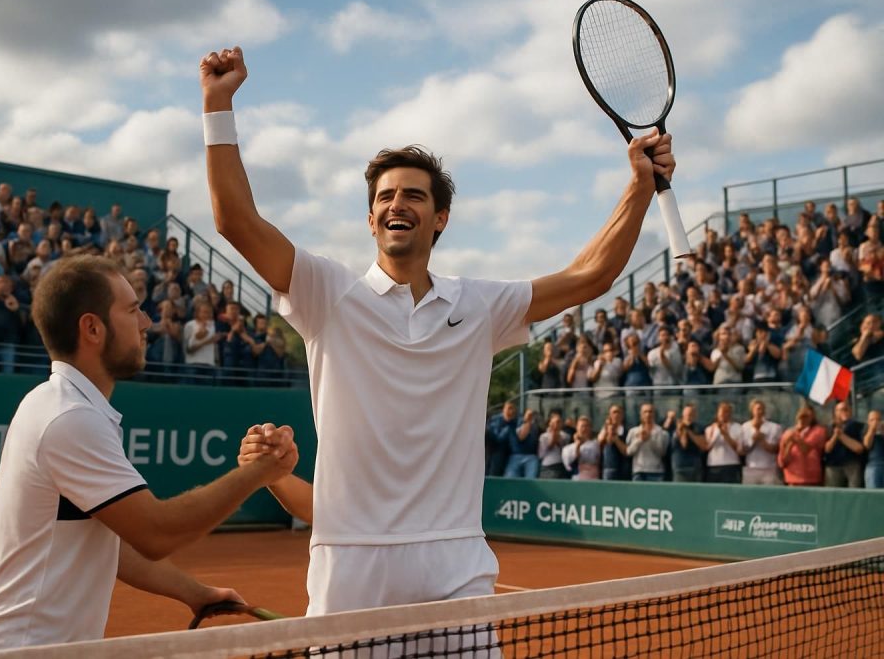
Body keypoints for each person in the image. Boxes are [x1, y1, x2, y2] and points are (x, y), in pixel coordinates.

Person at [202, 45, 675, 615]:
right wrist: (218, 105)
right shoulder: (326, 293)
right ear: (371, 218)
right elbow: (235, 220)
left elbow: (589, 275)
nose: (397, 203)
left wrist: (640, 187)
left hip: (456, 563)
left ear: (440, 217)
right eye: (385, 197)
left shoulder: (479, 305)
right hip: (351, 565)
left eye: (413, 195)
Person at [0, 255, 298, 654]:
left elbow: (112, 547)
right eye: (133, 310)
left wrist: (196, 592)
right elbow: (157, 532)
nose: (146, 322)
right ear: (93, 328)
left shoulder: (61, 405)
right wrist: (261, 471)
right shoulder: (69, 418)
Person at [778, 405, 827, 486]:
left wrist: (796, 437)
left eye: (806, 416)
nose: (803, 418)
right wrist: (789, 443)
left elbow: (806, 449)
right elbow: (782, 461)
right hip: (792, 479)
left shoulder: (819, 431)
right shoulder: (788, 433)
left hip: (811, 479)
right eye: (801, 416)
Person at [739, 399, 783, 485]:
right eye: (758, 409)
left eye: (762, 409)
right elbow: (742, 450)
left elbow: (777, 449)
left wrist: (762, 441)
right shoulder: (745, 427)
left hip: (769, 468)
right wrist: (753, 441)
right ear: (752, 410)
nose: (760, 411)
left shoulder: (774, 427)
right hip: (751, 468)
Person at [823, 400, 865, 488]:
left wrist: (841, 436)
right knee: (833, 494)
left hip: (852, 465)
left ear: (851, 411)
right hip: (833, 465)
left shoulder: (858, 426)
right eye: (841, 410)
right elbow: (827, 449)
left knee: (854, 493)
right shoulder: (829, 427)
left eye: (846, 409)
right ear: (835, 412)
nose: (844, 412)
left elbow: (859, 448)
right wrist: (835, 435)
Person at [625, 403, 669, 481]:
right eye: (645, 412)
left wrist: (649, 439)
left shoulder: (661, 432)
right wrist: (639, 440)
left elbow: (662, 452)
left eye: (650, 412)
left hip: (656, 472)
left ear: (654, 414)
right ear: (641, 414)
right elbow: (629, 452)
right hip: (638, 472)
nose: (648, 414)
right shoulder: (633, 431)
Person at [666, 404, 708, 483]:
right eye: (687, 414)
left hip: (695, 467)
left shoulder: (699, 428)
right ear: (683, 414)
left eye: (692, 414)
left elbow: (703, 446)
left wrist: (688, 431)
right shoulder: (675, 427)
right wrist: (681, 430)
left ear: (695, 415)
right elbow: (684, 444)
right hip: (680, 467)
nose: (689, 416)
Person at [704, 402, 744, 484]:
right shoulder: (710, 429)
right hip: (713, 465)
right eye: (721, 412)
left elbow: (738, 448)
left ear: (730, 413)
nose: (723, 414)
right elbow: (707, 447)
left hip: (731, 464)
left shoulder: (738, 428)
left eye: (726, 411)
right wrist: (717, 431)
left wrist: (726, 435)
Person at [504, 409, 542, 479]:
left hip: (531, 457)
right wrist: (527, 421)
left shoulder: (535, 427)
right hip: (516, 456)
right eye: (529, 415)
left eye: (532, 415)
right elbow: (521, 437)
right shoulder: (518, 423)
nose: (531, 417)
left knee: (531, 480)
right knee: (510, 480)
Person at [485, 400, 519, 477]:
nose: (510, 411)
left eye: (513, 409)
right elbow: (497, 438)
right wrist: (507, 429)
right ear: (504, 409)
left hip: (510, 452)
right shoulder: (495, 420)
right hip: (495, 449)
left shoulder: (517, 421)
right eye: (508, 408)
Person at [562, 415, 601, 480]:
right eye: (582, 426)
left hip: (593, 480)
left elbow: (593, 458)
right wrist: (577, 446)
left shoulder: (595, 444)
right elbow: (569, 466)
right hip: (577, 481)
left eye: (587, 426)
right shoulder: (567, 448)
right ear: (577, 427)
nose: (584, 429)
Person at [598, 404, 628, 480]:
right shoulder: (604, 430)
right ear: (610, 415)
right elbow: (599, 443)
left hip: (623, 470)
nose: (616, 415)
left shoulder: (627, 431)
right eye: (614, 412)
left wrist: (616, 438)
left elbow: (626, 451)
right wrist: (607, 428)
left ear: (622, 415)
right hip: (608, 470)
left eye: (619, 412)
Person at [538, 410, 571, 479]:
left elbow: (564, 449)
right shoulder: (543, 436)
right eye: (554, 422)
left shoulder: (566, 436)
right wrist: (552, 436)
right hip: (547, 466)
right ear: (550, 423)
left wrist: (556, 435)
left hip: (560, 465)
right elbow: (541, 454)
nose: (556, 424)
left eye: (558, 422)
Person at [862, 410, 884, 489]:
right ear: (868, 422)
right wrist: (872, 430)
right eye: (872, 420)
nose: (875, 422)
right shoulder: (866, 430)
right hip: (873, 466)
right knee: (874, 494)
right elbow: (867, 445)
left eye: (878, 419)